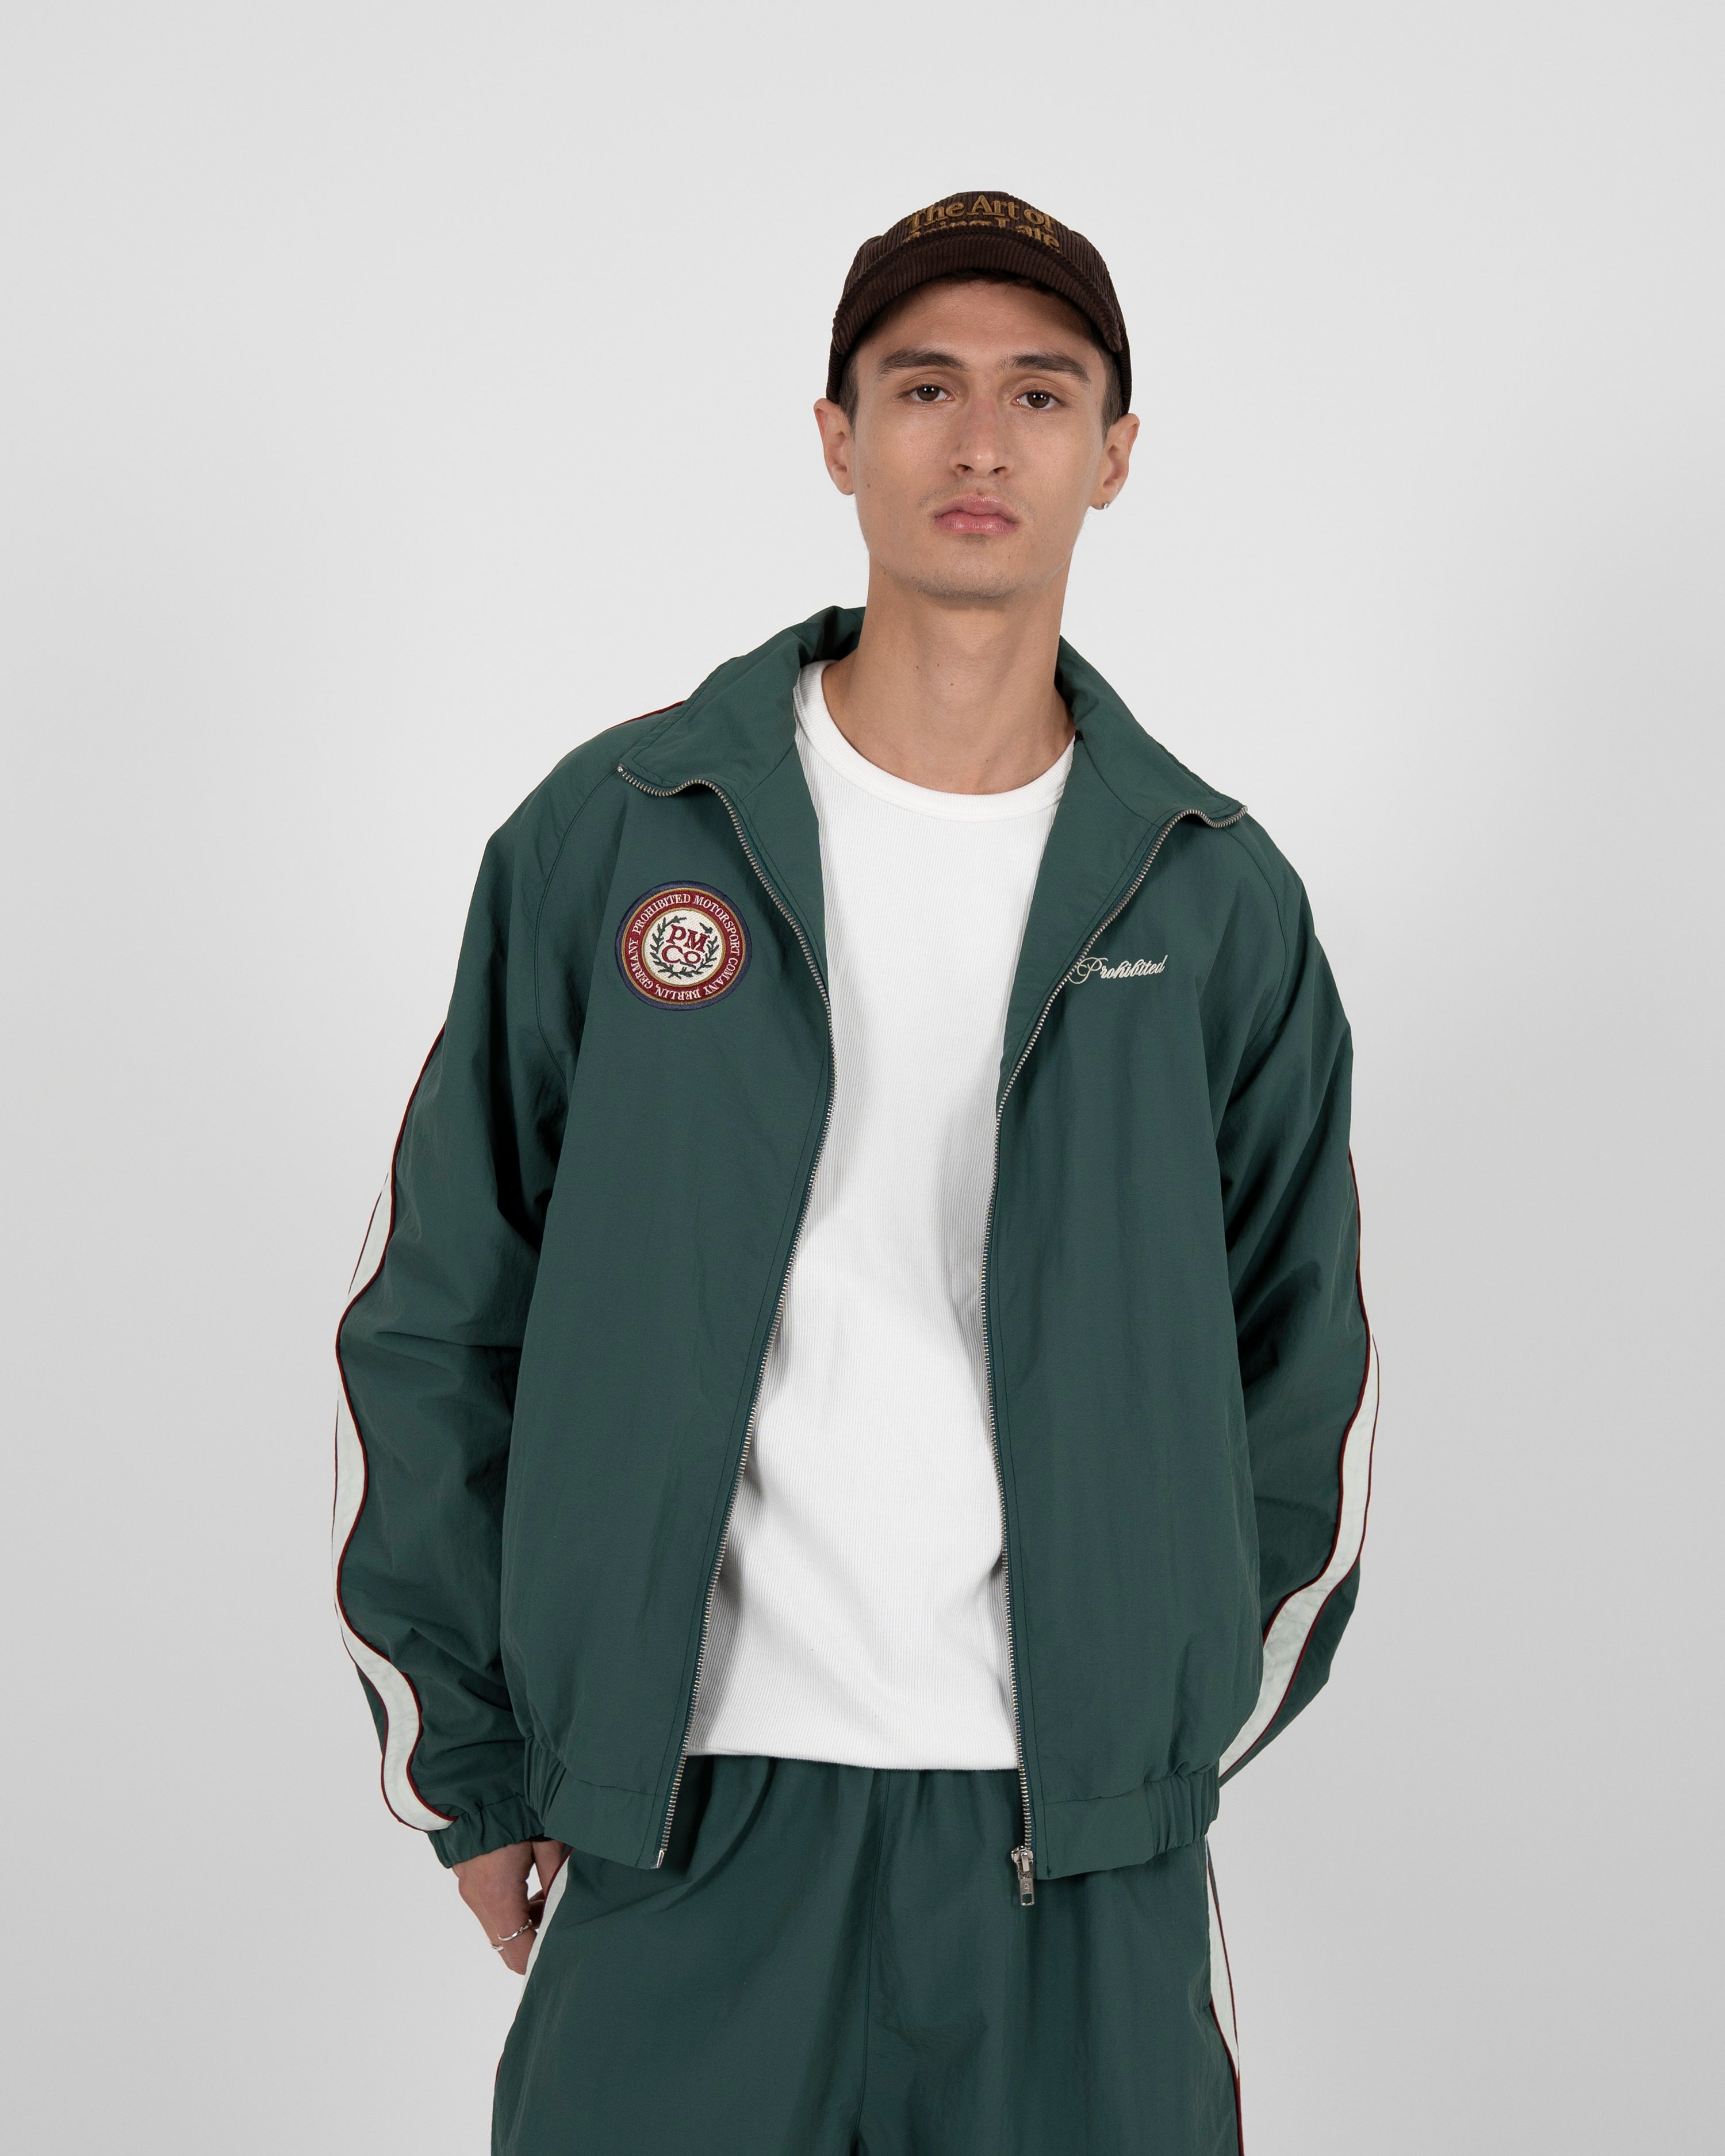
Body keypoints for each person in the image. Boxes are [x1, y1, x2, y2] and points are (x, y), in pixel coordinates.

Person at [333, 189, 1377, 2156]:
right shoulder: (620, 834)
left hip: (1067, 1854)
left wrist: (1152, 1742)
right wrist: (474, 1759)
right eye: (923, 387)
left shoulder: (1211, 897)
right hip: (680, 1814)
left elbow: (1306, 1368)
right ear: (837, 436)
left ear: (1114, 454)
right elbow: (439, 1309)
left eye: (1040, 394)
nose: (981, 441)